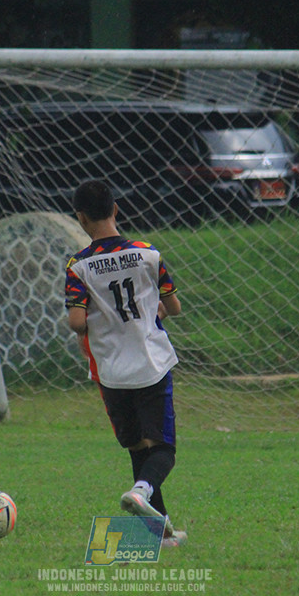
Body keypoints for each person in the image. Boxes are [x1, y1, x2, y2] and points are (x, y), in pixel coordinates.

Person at [64, 179, 186, 547]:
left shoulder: (78, 266)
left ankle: (158, 534)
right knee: (162, 448)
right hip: (150, 365)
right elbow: (174, 307)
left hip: (112, 374)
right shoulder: (148, 254)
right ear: (116, 210)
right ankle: (142, 491)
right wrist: (156, 308)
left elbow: (77, 322)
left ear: (81, 218)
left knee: (137, 447)